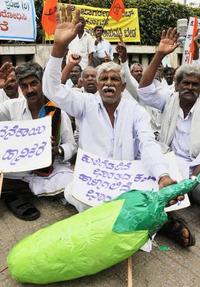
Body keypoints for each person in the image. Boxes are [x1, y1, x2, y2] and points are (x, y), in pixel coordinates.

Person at [43, 6, 190, 246]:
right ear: (97, 85)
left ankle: (156, 222)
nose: (109, 83)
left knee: (156, 186)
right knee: (77, 195)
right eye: (104, 79)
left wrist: (162, 176)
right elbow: (52, 90)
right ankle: (159, 224)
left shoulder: (135, 111)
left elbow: (147, 144)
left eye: (115, 79)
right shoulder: (84, 104)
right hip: (94, 185)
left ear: (123, 86)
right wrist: (58, 48)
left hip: (126, 182)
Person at [0, 62, 77, 220]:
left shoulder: (57, 111)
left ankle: (16, 193)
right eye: (24, 86)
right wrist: (0, 87)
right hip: (16, 173)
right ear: (20, 88)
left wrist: (58, 150)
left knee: (71, 181)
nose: (30, 90)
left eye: (34, 83)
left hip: (48, 171)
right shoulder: (10, 107)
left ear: (42, 83)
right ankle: (18, 191)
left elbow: (71, 145)